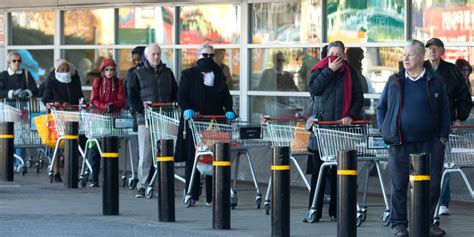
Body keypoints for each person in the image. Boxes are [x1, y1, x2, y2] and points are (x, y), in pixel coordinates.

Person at [377, 39, 450, 237]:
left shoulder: (435, 82)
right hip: (400, 142)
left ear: (421, 57)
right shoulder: (395, 81)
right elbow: (381, 107)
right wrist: (385, 130)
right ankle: (399, 224)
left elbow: (445, 110)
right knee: (399, 186)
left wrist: (442, 138)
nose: (405, 58)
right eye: (403, 54)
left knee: (433, 186)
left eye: (410, 54)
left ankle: (425, 222)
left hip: (431, 143)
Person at [303, 40, 364, 222]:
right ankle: (314, 210)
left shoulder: (351, 73)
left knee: (340, 171)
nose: (336, 58)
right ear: (326, 56)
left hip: (341, 129)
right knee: (318, 172)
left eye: (339, 55)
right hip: (322, 129)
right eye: (332, 55)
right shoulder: (319, 70)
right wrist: (329, 70)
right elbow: (314, 90)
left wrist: (351, 115)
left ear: (344, 56)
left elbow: (358, 98)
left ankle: (337, 211)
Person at [175, 44, 235, 206]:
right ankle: (192, 194)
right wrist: (186, 109)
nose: (208, 58)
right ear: (198, 56)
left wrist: (229, 110)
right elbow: (181, 96)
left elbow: (226, 96)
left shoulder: (218, 74)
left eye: (211, 55)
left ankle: (212, 196)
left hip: (214, 122)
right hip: (194, 122)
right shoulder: (188, 75)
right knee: (192, 158)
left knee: (212, 158)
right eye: (204, 55)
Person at [424, 38, 473, 217]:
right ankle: (424, 199)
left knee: (444, 163)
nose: (432, 51)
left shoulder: (452, 71)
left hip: (446, 124)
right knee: (424, 163)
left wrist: (460, 117)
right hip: (423, 125)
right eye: (429, 48)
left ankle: (443, 201)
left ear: (442, 51)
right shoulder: (420, 68)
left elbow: (464, 96)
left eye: (435, 48)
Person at [128, 44, 178, 198]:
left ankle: (163, 183)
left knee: (165, 153)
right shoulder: (138, 74)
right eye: (153, 55)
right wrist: (141, 110)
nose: (156, 57)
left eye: (158, 54)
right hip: (146, 120)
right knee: (146, 153)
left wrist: (174, 105)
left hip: (165, 117)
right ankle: (142, 185)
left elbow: (175, 92)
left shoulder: (167, 73)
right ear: (146, 57)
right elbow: (132, 96)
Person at [42, 59, 84, 182]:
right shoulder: (52, 83)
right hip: (57, 117)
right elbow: (45, 100)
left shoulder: (74, 83)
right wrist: (58, 104)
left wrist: (81, 103)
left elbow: (80, 97)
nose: (65, 72)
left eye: (67, 70)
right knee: (57, 144)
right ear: (56, 71)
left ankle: (70, 170)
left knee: (72, 144)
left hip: (73, 116)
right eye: (62, 70)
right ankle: (55, 171)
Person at [0, 51, 40, 171]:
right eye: (14, 61)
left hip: (23, 109)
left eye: (19, 61)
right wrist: (12, 93)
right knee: (8, 136)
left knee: (21, 136)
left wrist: (27, 93)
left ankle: (20, 164)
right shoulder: (3, 75)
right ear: (9, 62)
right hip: (7, 109)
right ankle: (9, 162)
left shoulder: (26, 74)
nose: (17, 63)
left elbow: (35, 89)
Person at [89, 58, 125, 187]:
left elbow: (122, 100)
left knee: (111, 149)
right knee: (95, 149)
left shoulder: (118, 83)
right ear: (103, 71)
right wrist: (105, 106)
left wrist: (113, 106)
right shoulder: (97, 82)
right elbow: (93, 100)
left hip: (113, 118)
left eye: (112, 69)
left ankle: (110, 178)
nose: (109, 72)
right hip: (98, 118)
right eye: (107, 69)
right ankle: (94, 178)